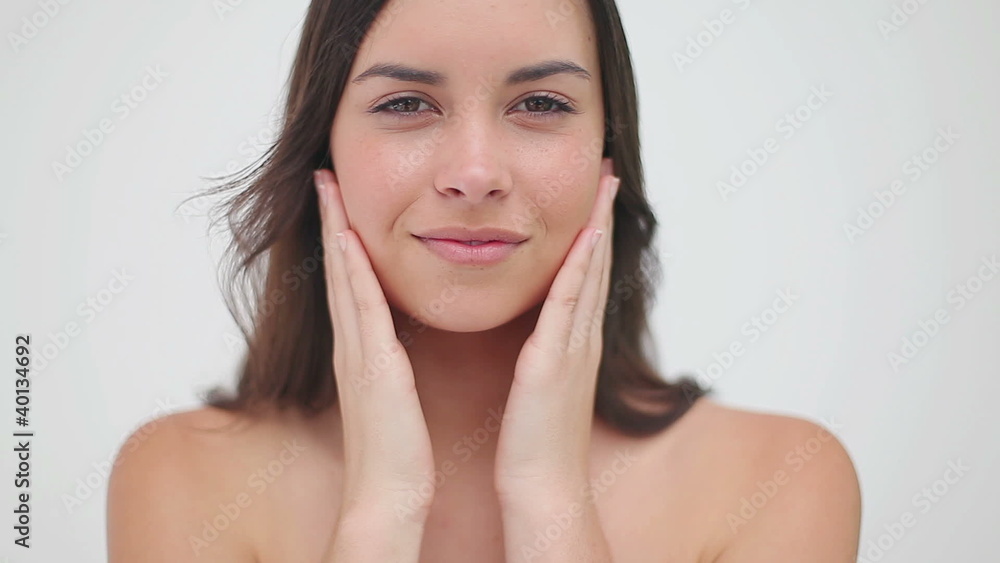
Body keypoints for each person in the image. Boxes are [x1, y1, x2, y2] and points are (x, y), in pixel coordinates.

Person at [107, 0, 861, 561]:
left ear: (609, 153)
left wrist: (549, 498)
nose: (475, 173)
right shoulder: (181, 478)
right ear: (323, 152)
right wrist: (380, 512)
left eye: (540, 104)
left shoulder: (779, 481)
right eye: (405, 103)